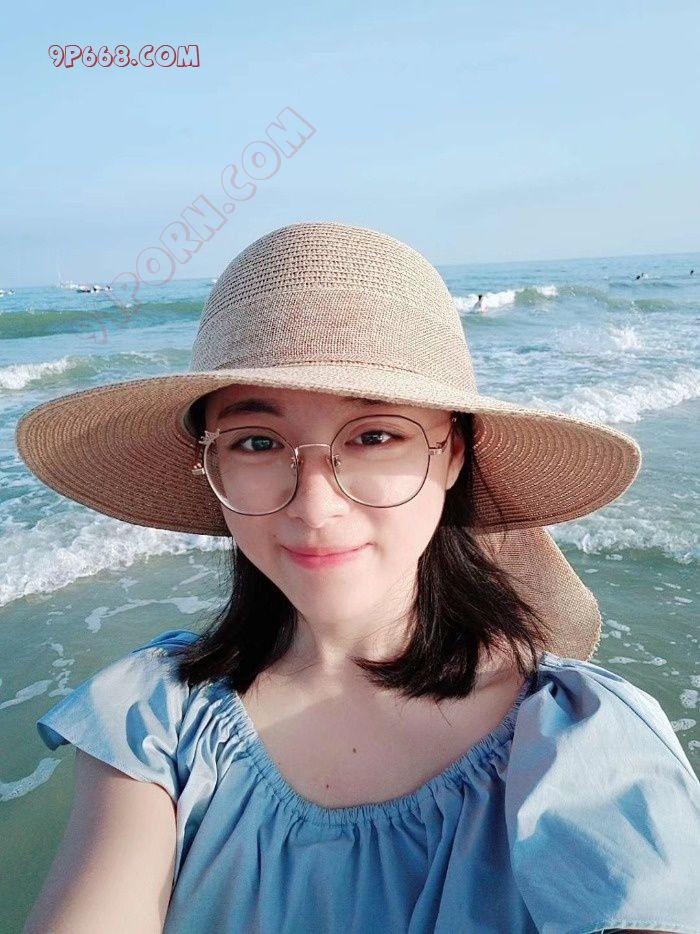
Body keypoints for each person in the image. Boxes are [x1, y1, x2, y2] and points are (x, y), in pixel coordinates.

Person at [16, 222, 700, 933]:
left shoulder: (580, 736)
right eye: (257, 441)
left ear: (452, 455)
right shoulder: (158, 717)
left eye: (375, 436)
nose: (314, 507)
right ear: (211, 465)